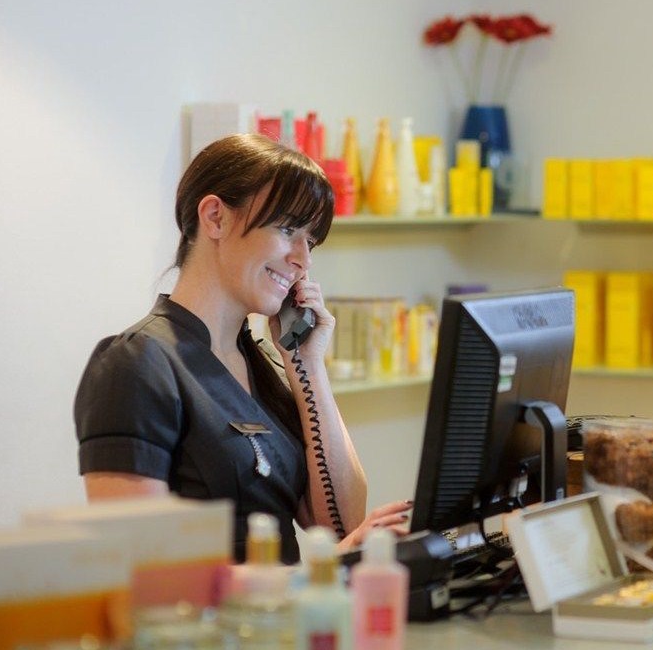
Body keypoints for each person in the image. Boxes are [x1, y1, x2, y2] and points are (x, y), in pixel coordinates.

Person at [74, 133, 409, 563]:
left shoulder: (259, 364)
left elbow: (342, 523)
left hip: (277, 625)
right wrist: (311, 578)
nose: (303, 260)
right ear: (215, 217)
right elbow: (140, 570)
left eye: (311, 240)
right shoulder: (135, 364)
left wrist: (308, 365)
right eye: (288, 229)